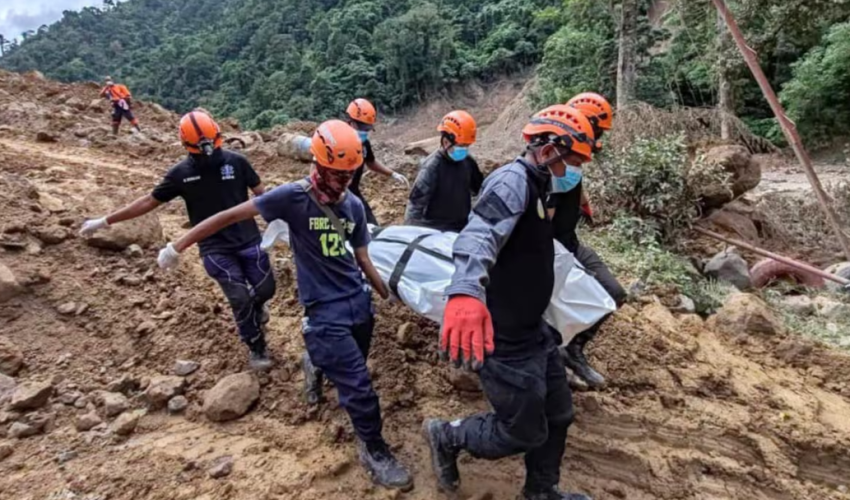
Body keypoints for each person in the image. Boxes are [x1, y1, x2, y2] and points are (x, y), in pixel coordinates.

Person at [156, 120, 413, 491]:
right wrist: (177, 246)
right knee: (358, 386)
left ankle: (315, 362)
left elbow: (362, 256)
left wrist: (385, 293)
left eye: (350, 175)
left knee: (354, 358)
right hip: (323, 311)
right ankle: (374, 449)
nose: (343, 183)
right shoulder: (291, 198)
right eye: (337, 175)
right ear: (319, 165)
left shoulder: (353, 205)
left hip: (357, 303)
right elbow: (227, 216)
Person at [422, 105, 595, 500]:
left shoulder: (540, 185)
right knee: (522, 430)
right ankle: (446, 436)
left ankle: (540, 491)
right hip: (503, 336)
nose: (574, 168)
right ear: (550, 149)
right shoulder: (511, 182)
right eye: (572, 159)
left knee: (559, 414)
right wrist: (465, 290)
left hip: (533, 330)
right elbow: (477, 235)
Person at [79, 110, 275, 370]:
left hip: (249, 239)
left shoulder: (238, 163)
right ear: (187, 147)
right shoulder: (180, 174)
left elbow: (263, 194)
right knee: (239, 298)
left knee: (265, 289)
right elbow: (148, 202)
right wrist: (106, 221)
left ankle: (258, 306)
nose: (209, 154)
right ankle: (256, 346)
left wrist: (280, 217)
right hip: (214, 247)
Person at [549, 93, 626, 389]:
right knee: (546, 311)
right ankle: (551, 363)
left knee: (613, 293)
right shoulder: (551, 160)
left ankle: (573, 349)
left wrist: (585, 204)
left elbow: (576, 181)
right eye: (599, 130)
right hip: (549, 251)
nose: (599, 137)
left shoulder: (574, 159)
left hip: (570, 242)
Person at [405, 110, 484, 232]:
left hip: (461, 227)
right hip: (435, 230)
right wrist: (410, 235)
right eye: (461, 145)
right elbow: (415, 205)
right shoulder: (431, 167)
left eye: (467, 146)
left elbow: (480, 189)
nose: (464, 149)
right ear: (446, 141)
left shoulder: (468, 162)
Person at [344, 98, 409, 226]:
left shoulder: (363, 144)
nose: (364, 131)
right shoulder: (337, 142)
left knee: (371, 226)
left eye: (367, 128)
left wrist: (392, 174)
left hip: (353, 192)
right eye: (361, 126)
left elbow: (370, 162)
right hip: (335, 195)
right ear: (351, 122)